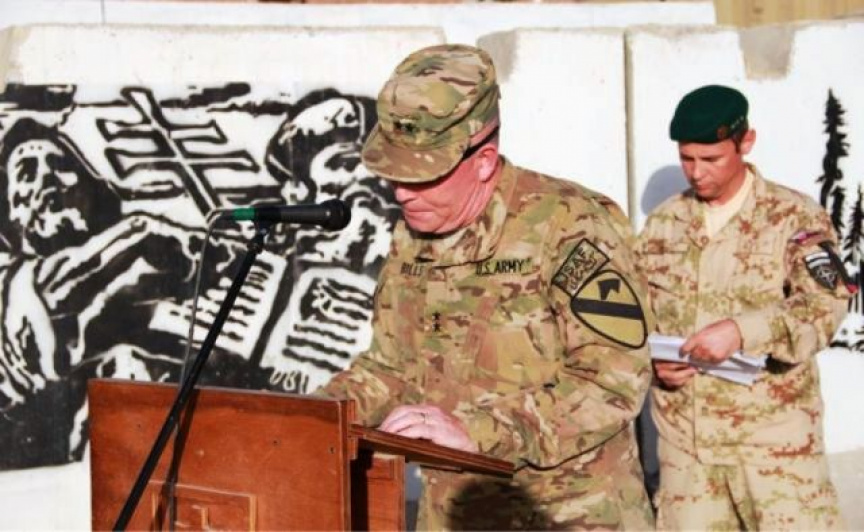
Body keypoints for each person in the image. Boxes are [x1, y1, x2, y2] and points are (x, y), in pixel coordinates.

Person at [318, 44, 654, 529]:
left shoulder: (569, 224)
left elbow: (613, 380)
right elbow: (392, 368)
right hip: (454, 514)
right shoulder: (413, 236)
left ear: (483, 160)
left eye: (423, 177)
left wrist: (480, 430)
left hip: (566, 516)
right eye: (394, 176)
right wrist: (315, 417)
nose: (401, 193)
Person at [634, 84, 850, 530]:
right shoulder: (663, 225)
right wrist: (652, 364)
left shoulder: (793, 217)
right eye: (686, 158)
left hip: (772, 450)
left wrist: (742, 331)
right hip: (688, 454)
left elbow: (825, 305)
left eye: (711, 159)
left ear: (745, 142)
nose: (696, 173)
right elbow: (633, 319)